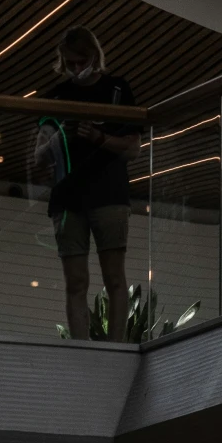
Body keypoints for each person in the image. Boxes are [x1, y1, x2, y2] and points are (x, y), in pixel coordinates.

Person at [44, 26, 137, 341]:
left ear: (93, 56)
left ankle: (116, 347)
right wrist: (60, 137)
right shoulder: (57, 96)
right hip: (70, 198)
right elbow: (39, 155)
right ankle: (84, 348)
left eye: (80, 61)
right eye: (70, 63)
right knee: (76, 281)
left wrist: (99, 137)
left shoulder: (116, 90)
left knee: (113, 278)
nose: (76, 68)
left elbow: (133, 148)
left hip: (107, 194)